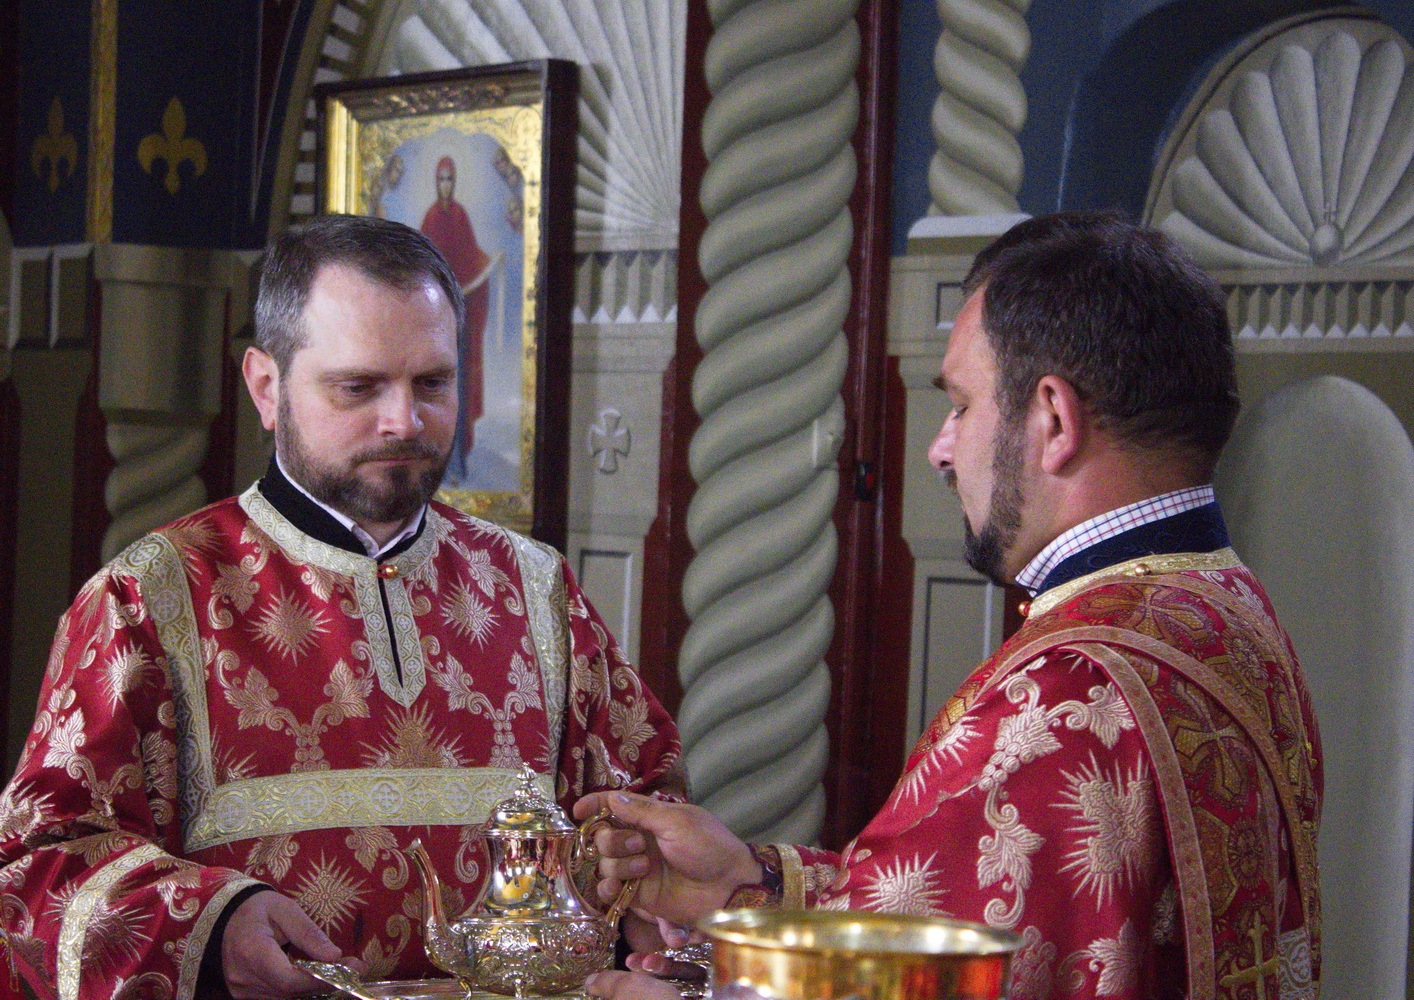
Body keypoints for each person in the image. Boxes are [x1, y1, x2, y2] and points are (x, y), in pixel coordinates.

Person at [576, 213, 1322, 1000]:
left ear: (1053, 420)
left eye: (962, 406)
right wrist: (748, 885)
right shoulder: (1229, 613)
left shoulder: (1071, 691)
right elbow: (968, 911)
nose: (940, 448)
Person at [0, 214, 685, 999]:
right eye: (359, 387)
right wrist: (210, 926)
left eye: (433, 384)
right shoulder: (147, 599)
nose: (404, 421)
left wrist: (639, 892)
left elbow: (646, 813)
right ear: (267, 386)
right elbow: (37, 868)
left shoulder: (537, 591)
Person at [420, 155, 495, 462]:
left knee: (459, 386)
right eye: (441, 179)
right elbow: (421, 268)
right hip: (432, 326)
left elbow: (469, 259)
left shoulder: (461, 216)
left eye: (450, 179)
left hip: (459, 325)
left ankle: (459, 457)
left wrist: (484, 268)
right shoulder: (431, 218)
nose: (445, 185)